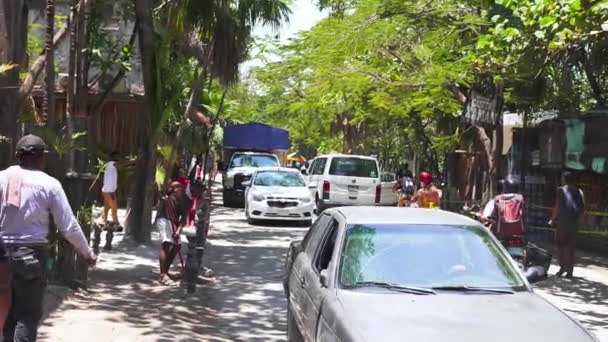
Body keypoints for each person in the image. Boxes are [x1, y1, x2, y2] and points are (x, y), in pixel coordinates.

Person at [0, 134, 96, 341]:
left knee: (6, 314)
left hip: (1, 255)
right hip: (30, 256)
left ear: (17, 156)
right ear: (42, 158)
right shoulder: (49, 184)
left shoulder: (1, 178)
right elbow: (68, 225)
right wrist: (86, 253)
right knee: (27, 316)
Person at [549, 171, 584, 279]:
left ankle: (562, 268)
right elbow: (583, 208)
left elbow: (558, 206)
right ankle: (570, 271)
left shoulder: (560, 190)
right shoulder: (579, 191)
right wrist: (579, 222)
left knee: (560, 246)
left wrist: (553, 219)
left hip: (563, 222)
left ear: (564, 179)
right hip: (574, 223)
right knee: (571, 247)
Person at [156, 181, 190, 285]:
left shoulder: (185, 200)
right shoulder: (167, 197)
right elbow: (160, 200)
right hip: (163, 220)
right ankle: (163, 275)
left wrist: (178, 230)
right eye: (173, 188)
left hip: (173, 223)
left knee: (177, 246)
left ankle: (165, 271)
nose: (175, 190)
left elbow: (184, 218)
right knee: (166, 244)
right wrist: (163, 200)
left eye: (178, 188)